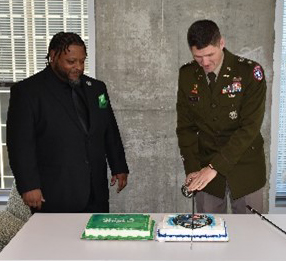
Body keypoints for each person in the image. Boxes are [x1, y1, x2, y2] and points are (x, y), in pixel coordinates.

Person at [6, 32, 129, 213]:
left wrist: (118, 165)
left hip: (96, 191)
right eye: (71, 62)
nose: (78, 67)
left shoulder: (97, 88)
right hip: (55, 193)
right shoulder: (27, 92)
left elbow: (109, 128)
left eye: (82, 61)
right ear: (53, 56)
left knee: (95, 239)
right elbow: (20, 145)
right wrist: (28, 186)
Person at [176, 20, 267, 214]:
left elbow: (249, 128)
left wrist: (215, 167)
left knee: (250, 234)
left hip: (245, 168)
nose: (205, 63)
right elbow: (186, 128)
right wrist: (193, 169)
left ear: (222, 44)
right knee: (207, 233)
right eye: (198, 57)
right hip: (206, 171)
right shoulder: (187, 75)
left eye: (210, 54)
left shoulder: (250, 73)